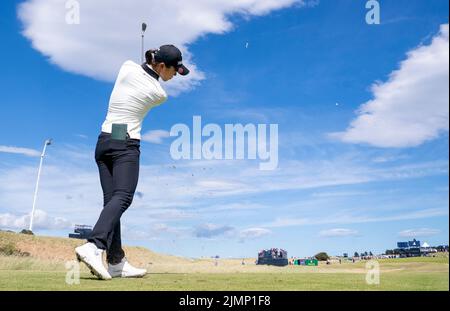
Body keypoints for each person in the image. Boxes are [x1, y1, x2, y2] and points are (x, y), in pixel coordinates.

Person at [75, 45, 190, 280]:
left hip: (105, 142)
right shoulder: (159, 94)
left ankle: (116, 260)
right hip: (125, 146)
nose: (174, 75)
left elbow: (139, 67)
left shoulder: (126, 67)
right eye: (173, 70)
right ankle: (94, 246)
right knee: (124, 197)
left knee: (112, 202)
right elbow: (149, 78)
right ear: (160, 66)